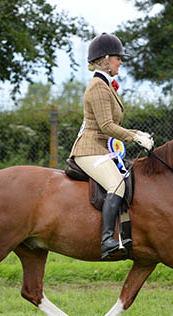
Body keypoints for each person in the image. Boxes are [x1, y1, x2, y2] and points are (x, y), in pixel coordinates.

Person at [69, 32, 154, 260]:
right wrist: (134, 136)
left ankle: (125, 235)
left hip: (102, 148)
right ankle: (107, 240)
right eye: (118, 58)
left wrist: (135, 134)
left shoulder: (107, 86)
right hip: (89, 149)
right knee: (116, 185)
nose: (121, 62)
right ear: (105, 60)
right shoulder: (98, 87)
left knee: (128, 178)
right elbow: (106, 125)